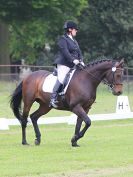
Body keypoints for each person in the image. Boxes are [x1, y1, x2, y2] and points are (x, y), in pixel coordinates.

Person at [49, 20, 85, 108]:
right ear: (70, 29)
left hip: (74, 64)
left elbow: (79, 52)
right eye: (75, 29)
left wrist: (81, 60)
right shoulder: (63, 39)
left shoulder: (74, 41)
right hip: (64, 64)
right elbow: (65, 52)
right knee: (61, 78)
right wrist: (73, 60)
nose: (76, 31)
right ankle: (53, 99)